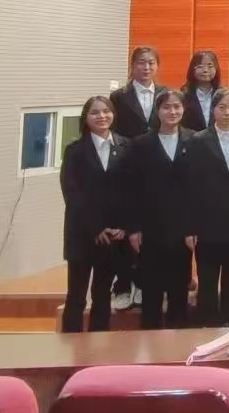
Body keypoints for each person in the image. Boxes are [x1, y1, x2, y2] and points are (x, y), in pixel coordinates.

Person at [123, 89, 194, 329]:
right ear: (157, 110)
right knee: (151, 291)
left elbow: (199, 188)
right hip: (150, 228)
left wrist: (194, 227)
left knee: (179, 291)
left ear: (183, 109)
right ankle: (151, 343)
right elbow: (130, 190)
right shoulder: (141, 144)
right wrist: (134, 228)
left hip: (183, 229)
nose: (172, 111)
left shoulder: (194, 140)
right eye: (166, 107)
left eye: (177, 107)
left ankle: (178, 344)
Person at [184, 88, 229, 326]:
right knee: (207, 282)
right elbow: (190, 187)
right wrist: (190, 227)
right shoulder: (198, 140)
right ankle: (208, 327)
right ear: (213, 110)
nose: (227, 112)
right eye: (222, 107)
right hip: (208, 224)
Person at [60, 96, 129, 332]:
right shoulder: (75, 151)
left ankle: (99, 346)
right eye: (95, 112)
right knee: (76, 295)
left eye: (106, 111)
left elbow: (130, 191)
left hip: (112, 236)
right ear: (86, 118)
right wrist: (96, 227)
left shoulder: (125, 146)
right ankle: (69, 347)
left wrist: (122, 226)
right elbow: (73, 194)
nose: (102, 116)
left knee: (102, 294)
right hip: (83, 233)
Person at [109, 45, 165, 309]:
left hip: (156, 167)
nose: (146, 67)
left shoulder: (165, 93)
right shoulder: (118, 96)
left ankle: (144, 283)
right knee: (127, 226)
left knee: (151, 228)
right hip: (128, 165)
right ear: (132, 66)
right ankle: (123, 285)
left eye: (151, 62)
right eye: (141, 62)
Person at [180, 50, 220, 133]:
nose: (205, 70)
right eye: (200, 66)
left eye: (210, 66)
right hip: (191, 139)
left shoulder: (222, 94)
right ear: (192, 69)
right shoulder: (183, 95)